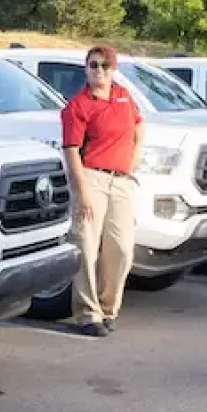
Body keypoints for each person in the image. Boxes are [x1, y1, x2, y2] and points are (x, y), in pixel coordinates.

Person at [59, 44, 144, 336]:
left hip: (121, 180)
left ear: (113, 69)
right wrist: (82, 193)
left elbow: (138, 125)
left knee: (121, 249)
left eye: (104, 66)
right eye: (93, 65)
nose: (99, 71)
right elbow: (71, 151)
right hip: (91, 178)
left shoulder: (123, 96)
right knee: (86, 246)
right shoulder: (78, 106)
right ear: (86, 68)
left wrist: (136, 155)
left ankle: (109, 308)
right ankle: (87, 313)